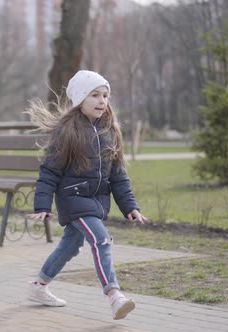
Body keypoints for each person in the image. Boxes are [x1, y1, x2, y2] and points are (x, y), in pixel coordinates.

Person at [25, 70, 148, 320]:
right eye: (95, 95)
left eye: (105, 95)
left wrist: (130, 206)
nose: (102, 101)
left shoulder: (109, 131)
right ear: (80, 99)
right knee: (101, 239)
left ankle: (38, 287)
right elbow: (49, 172)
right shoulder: (67, 132)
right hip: (73, 200)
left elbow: (118, 175)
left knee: (70, 246)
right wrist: (42, 204)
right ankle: (115, 296)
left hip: (95, 202)